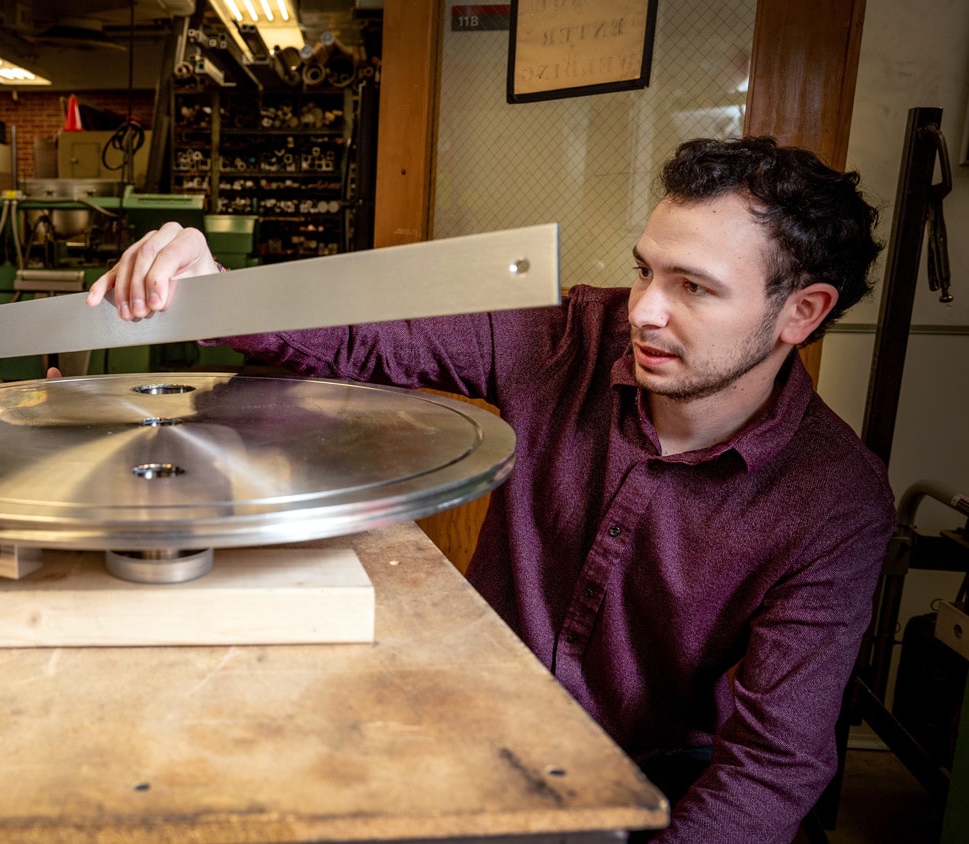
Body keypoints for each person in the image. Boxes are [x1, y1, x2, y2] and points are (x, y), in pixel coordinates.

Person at [85, 136, 896, 844]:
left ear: (802, 313)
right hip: (463, 721)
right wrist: (217, 284)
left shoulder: (835, 501)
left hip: (649, 780)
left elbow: (772, 767)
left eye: (694, 287)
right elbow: (370, 341)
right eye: (646, 270)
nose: (644, 310)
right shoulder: (573, 336)